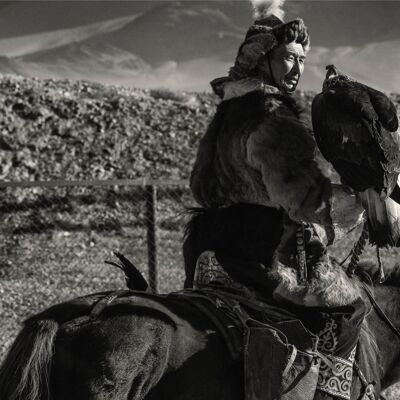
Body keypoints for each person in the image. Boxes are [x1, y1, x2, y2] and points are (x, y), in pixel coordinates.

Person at [184, 2, 364, 305]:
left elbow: (202, 187)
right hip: (263, 253)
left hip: (207, 246)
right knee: (350, 310)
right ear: (262, 59)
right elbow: (305, 201)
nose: (297, 69)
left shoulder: (230, 111)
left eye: (302, 60)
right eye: (289, 57)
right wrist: (364, 202)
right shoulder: (273, 115)